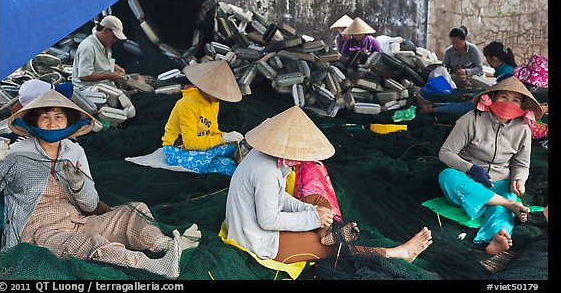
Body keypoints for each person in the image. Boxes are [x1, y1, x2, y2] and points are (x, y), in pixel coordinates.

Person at [0, 89, 201, 279]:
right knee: (93, 244)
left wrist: (78, 185)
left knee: (133, 212)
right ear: (35, 123)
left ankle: (164, 245)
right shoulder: (15, 155)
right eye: (45, 117)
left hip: (76, 222)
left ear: (69, 122)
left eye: (58, 117)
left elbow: (90, 205)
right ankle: (152, 265)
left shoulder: (74, 152)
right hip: (39, 233)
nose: (52, 123)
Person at [225, 105, 433, 265]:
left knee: (319, 202)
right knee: (335, 251)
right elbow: (268, 220)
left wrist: (311, 210)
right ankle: (398, 253)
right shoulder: (266, 172)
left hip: (263, 222)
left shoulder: (267, 156)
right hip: (258, 240)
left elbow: (279, 198)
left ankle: (325, 234)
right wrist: (313, 217)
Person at [437, 76, 544, 256]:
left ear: (522, 106)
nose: (509, 103)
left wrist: (519, 180)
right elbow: (445, 152)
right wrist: (470, 168)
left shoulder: (523, 128)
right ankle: (506, 203)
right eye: (503, 97)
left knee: (503, 206)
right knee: (447, 176)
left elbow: (522, 163)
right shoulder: (471, 119)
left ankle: (495, 237)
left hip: (500, 182)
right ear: (492, 98)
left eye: (515, 100)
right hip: (468, 179)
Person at [161, 60, 244, 176]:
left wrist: (230, 138)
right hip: (179, 150)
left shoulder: (214, 103)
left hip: (201, 144)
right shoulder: (187, 104)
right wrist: (223, 138)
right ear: (206, 88)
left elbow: (212, 131)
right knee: (228, 167)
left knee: (233, 148)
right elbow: (190, 143)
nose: (221, 97)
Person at [416, 41, 515, 116]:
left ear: (494, 59)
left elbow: (498, 94)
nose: (487, 61)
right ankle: (432, 104)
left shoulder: (505, 74)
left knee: (467, 106)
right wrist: (476, 94)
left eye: (487, 58)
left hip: (503, 107)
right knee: (462, 97)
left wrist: (477, 96)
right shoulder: (507, 69)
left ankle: (432, 109)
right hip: (500, 101)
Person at [71, 15, 128, 91]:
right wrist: (109, 76)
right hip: (86, 90)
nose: (115, 40)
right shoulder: (88, 46)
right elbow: (84, 76)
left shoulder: (105, 44)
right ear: (105, 30)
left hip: (102, 86)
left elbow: (100, 63)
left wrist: (114, 67)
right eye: (114, 37)